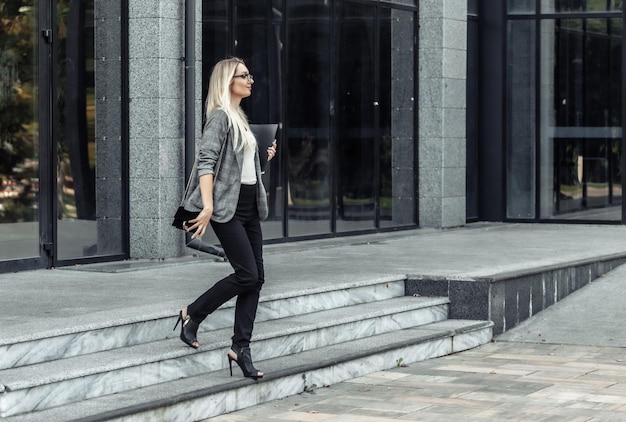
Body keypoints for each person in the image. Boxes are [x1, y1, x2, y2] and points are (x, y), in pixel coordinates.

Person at [173, 57, 276, 380]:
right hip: (225, 209)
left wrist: (261, 160)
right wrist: (206, 206)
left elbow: (239, 172)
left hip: (247, 207)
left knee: (256, 277)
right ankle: (193, 313)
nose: (251, 80)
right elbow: (206, 163)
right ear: (226, 81)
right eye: (244, 75)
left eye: (250, 74)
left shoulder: (240, 118)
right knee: (247, 274)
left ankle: (240, 348)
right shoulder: (219, 118)